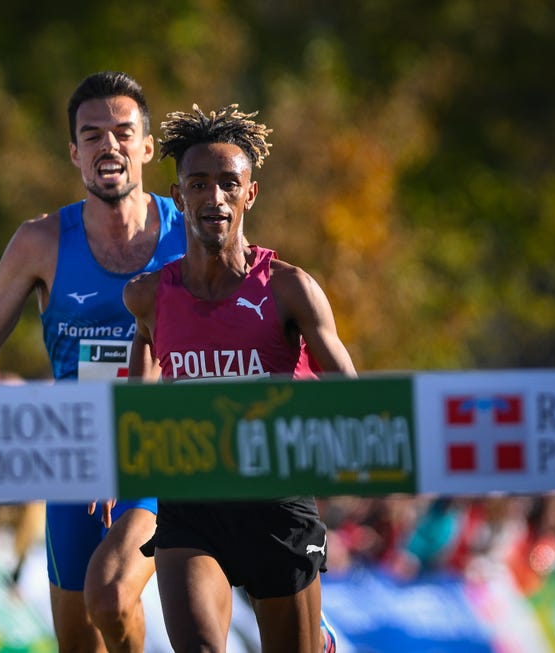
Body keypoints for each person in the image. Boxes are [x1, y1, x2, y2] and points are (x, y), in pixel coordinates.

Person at [0, 71, 186, 652]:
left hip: (162, 447)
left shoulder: (189, 234)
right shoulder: (39, 243)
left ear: (146, 147)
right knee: (80, 641)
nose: (108, 145)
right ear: (74, 153)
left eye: (123, 132)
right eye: (92, 136)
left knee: (113, 596)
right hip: (75, 456)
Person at [122, 103, 358, 652]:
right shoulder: (148, 296)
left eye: (229, 183)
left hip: (276, 501)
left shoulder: (290, 288)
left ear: (250, 193)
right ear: (179, 197)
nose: (215, 198)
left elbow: (353, 392)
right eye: (199, 185)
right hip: (192, 501)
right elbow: (138, 396)